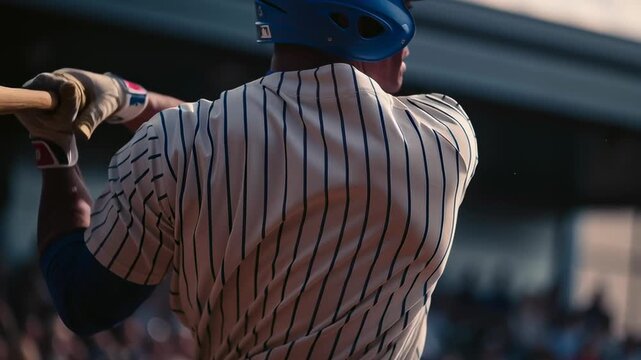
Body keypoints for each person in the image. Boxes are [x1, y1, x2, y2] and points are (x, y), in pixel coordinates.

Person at [16, 0, 478, 358]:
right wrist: (129, 100)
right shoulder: (446, 136)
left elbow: (84, 303)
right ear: (364, 15)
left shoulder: (174, 145)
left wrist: (57, 150)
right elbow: (291, 138)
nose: (408, 42)